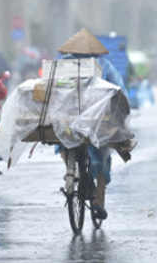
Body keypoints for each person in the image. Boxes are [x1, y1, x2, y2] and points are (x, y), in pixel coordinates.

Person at [55, 28, 129, 221]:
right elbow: (120, 90)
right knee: (103, 158)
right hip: (97, 122)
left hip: (68, 119)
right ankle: (99, 200)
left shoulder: (63, 65)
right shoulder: (104, 65)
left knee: (62, 143)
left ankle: (71, 170)